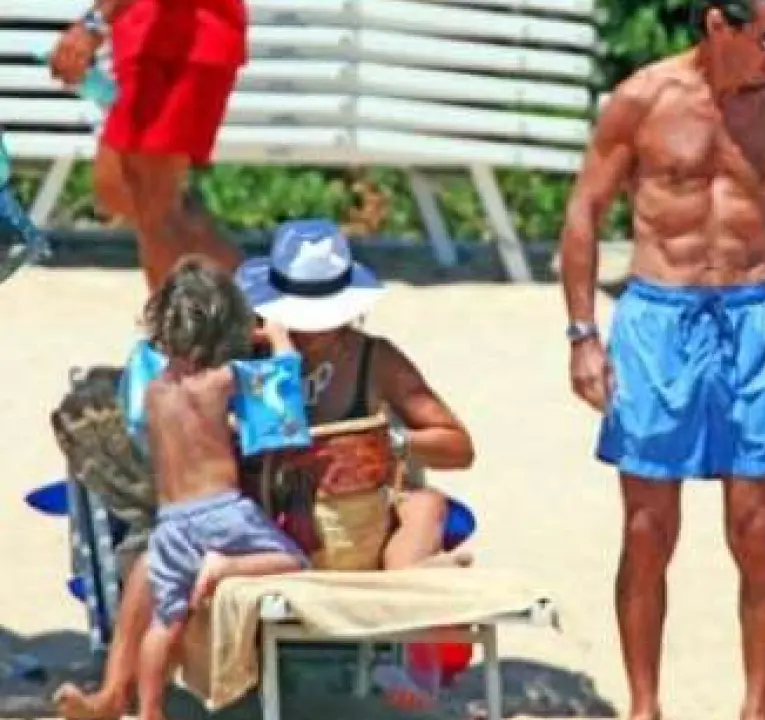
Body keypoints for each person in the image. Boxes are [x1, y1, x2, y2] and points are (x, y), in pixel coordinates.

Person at [51, 220, 476, 719]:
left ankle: (409, 641)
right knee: (150, 563)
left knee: (426, 506)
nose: (310, 329)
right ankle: (114, 695)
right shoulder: (240, 352)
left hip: (346, 533)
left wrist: (390, 442)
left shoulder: (374, 359)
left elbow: (458, 446)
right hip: (253, 521)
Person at [557, 1, 765, 718]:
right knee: (647, 530)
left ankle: (757, 708)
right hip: (658, 319)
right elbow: (585, 211)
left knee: (756, 529)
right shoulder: (643, 100)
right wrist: (582, 334)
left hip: (750, 318)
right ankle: (645, 706)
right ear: (721, 24)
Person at [133, 257, 308, 720]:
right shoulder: (220, 380)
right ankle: (225, 565)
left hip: (170, 522)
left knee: (164, 621)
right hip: (223, 510)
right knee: (294, 560)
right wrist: (276, 337)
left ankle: (149, 711)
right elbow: (283, 386)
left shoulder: (153, 390)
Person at [49, 0, 247, 292]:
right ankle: (256, 299)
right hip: (149, 41)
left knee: (155, 206)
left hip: (178, 43)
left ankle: (180, 319)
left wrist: (93, 24)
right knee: (117, 188)